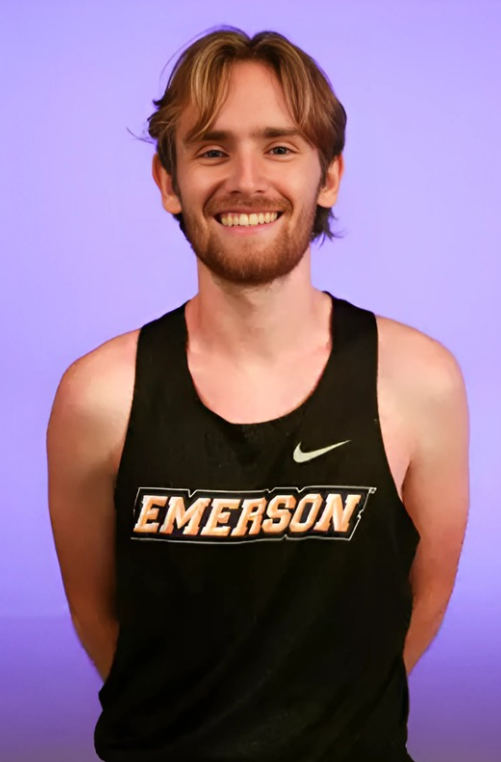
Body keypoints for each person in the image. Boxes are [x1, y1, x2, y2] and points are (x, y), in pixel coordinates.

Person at [46, 27, 469, 762]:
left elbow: (421, 599)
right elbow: (96, 611)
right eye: (212, 149)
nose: (246, 179)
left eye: (279, 147)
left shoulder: (417, 379)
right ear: (167, 182)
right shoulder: (98, 395)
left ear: (328, 177)